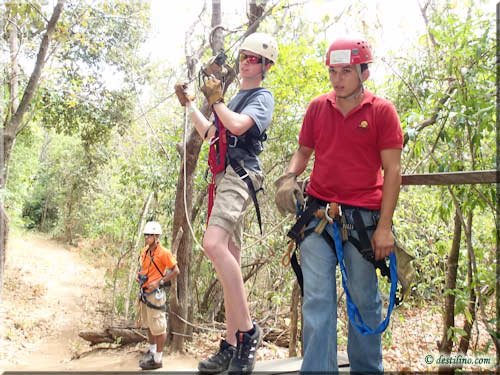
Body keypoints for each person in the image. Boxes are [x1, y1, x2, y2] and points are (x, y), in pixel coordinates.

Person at [275, 37, 403, 372]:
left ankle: (367, 370)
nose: (337, 78)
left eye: (346, 70)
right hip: (319, 214)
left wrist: (385, 227)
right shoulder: (318, 107)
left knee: (363, 301)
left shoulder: (382, 112)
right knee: (317, 299)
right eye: (333, 71)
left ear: (364, 72)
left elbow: (393, 171)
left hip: (364, 219)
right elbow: (303, 152)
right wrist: (289, 177)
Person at [175, 32, 278, 373]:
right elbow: (212, 134)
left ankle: (248, 333)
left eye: (253, 58)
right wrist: (191, 103)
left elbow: (237, 126)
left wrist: (217, 100)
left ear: (265, 66)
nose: (246, 62)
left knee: (212, 243)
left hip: (240, 175)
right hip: (222, 177)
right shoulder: (232, 99)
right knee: (227, 258)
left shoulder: (261, 98)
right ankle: (232, 342)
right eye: (244, 56)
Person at [136, 221, 180, 370]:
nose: (146, 238)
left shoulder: (164, 253)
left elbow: (175, 271)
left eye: (149, 235)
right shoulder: (145, 251)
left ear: (156, 236)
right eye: (145, 235)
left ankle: (158, 359)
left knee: (159, 327)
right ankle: (152, 351)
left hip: (155, 294)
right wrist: (139, 277)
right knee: (149, 324)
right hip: (145, 293)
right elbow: (143, 268)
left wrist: (159, 282)